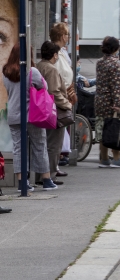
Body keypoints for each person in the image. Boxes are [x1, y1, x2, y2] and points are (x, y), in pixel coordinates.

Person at [3, 43, 56, 191]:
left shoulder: (5, 72)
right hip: (32, 116)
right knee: (39, 145)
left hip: (14, 116)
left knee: (18, 148)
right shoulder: (31, 71)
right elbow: (44, 86)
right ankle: (46, 180)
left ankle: (22, 182)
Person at [35, 41, 72, 185]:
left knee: (43, 144)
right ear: (54, 55)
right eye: (57, 54)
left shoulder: (39, 66)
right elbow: (54, 92)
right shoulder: (51, 69)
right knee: (54, 145)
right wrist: (67, 104)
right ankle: (49, 175)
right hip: (53, 112)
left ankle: (41, 175)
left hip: (40, 110)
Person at [95, 37, 120, 169]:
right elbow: (116, 86)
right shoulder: (115, 64)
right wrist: (118, 104)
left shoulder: (100, 62)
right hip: (111, 102)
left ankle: (104, 159)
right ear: (116, 49)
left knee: (103, 130)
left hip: (100, 101)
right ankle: (116, 158)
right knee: (115, 129)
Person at [50, 23, 75, 173]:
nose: (68, 37)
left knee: (61, 130)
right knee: (57, 132)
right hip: (61, 94)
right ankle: (54, 166)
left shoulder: (63, 52)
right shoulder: (56, 53)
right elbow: (58, 74)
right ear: (61, 36)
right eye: (66, 34)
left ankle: (56, 163)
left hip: (66, 92)